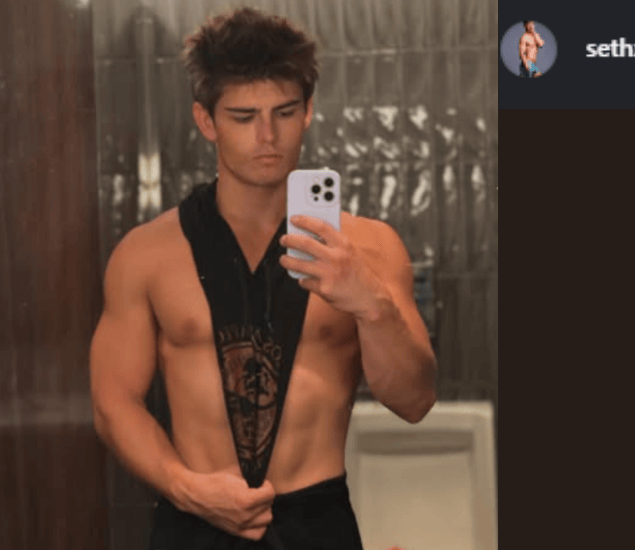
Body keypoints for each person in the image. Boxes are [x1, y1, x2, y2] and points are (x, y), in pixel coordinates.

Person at [89, 7, 437, 549]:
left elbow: (414, 403)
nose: (267, 136)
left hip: (316, 523)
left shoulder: (370, 248)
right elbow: (113, 402)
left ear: (308, 111)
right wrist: (185, 488)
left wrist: (372, 305)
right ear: (207, 120)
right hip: (194, 520)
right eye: (244, 116)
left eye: (285, 112)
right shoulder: (147, 255)